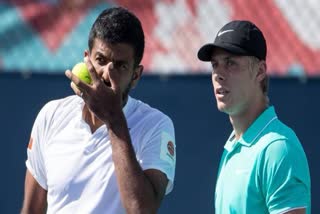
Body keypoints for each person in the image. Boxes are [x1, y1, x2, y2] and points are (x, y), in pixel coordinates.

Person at [21, 7, 176, 213]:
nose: (106, 74)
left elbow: (141, 210)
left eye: (120, 66)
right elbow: (31, 210)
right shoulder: (51, 115)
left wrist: (114, 120)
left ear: (136, 75)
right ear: (87, 59)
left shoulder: (156, 125)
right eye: (101, 60)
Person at [197, 20, 311, 213]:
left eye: (230, 63)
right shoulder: (232, 145)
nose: (218, 74)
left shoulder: (278, 149)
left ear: (260, 71)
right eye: (215, 65)